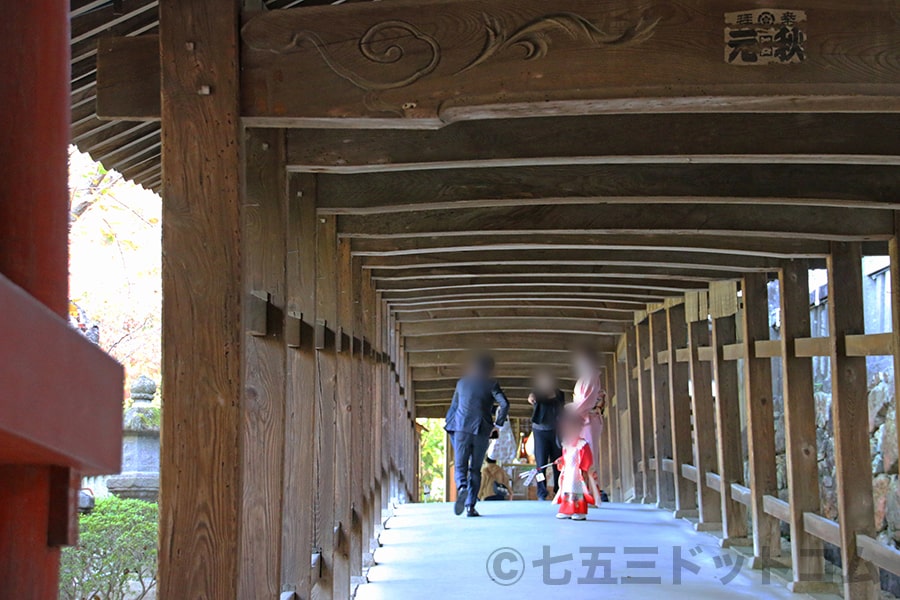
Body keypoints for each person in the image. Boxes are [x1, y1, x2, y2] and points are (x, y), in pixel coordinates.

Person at [444, 354, 510, 517]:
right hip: (482, 429)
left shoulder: (462, 383)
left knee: (460, 466)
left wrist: (451, 427)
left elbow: (454, 408)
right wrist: (498, 424)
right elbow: (505, 404)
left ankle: (462, 488)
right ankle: (470, 507)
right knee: (475, 469)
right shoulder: (491, 384)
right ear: (490, 369)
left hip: (461, 428)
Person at [553, 412, 603, 520]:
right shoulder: (566, 443)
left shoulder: (582, 444)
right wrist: (561, 461)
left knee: (577, 490)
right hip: (568, 472)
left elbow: (587, 459)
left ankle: (579, 511)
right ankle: (567, 510)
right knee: (567, 489)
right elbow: (566, 457)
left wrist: (585, 470)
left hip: (577, 473)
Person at [527, 370, 564, 501]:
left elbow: (557, 401)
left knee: (557, 463)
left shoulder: (558, 393)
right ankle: (541, 491)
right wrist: (532, 397)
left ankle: (558, 490)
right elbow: (532, 397)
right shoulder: (536, 393)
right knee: (540, 464)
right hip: (540, 432)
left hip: (555, 431)